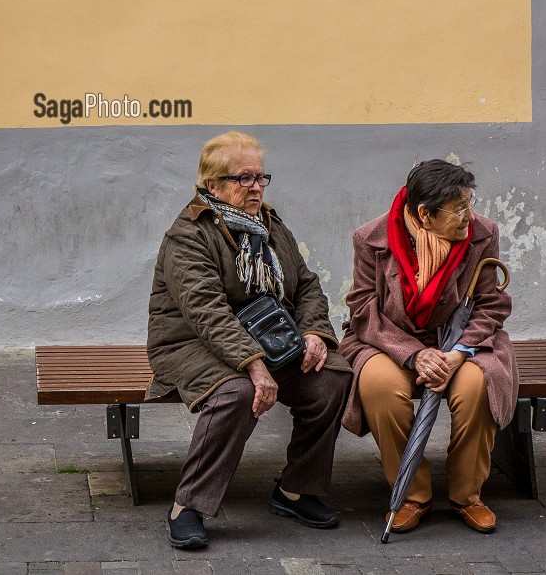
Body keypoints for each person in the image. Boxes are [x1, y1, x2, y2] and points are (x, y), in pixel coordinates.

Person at [146, 131, 351, 550]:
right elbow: (207, 313)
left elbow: (307, 286)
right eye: (243, 178)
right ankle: (187, 506)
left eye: (261, 177)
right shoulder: (188, 234)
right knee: (237, 394)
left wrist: (314, 333)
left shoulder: (270, 226)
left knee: (331, 378)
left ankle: (295, 490)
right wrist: (255, 365)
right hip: (191, 343)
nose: (256, 186)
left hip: (270, 339)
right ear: (212, 185)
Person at [338, 159, 518, 535]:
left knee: (477, 385)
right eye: (459, 208)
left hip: (464, 341)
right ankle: (412, 494)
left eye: (469, 203)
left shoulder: (483, 233)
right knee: (378, 385)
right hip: (390, 341)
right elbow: (363, 310)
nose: (469, 215)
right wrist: (414, 353)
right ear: (424, 214)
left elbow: (491, 304)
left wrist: (457, 353)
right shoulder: (371, 239)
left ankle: (467, 495)